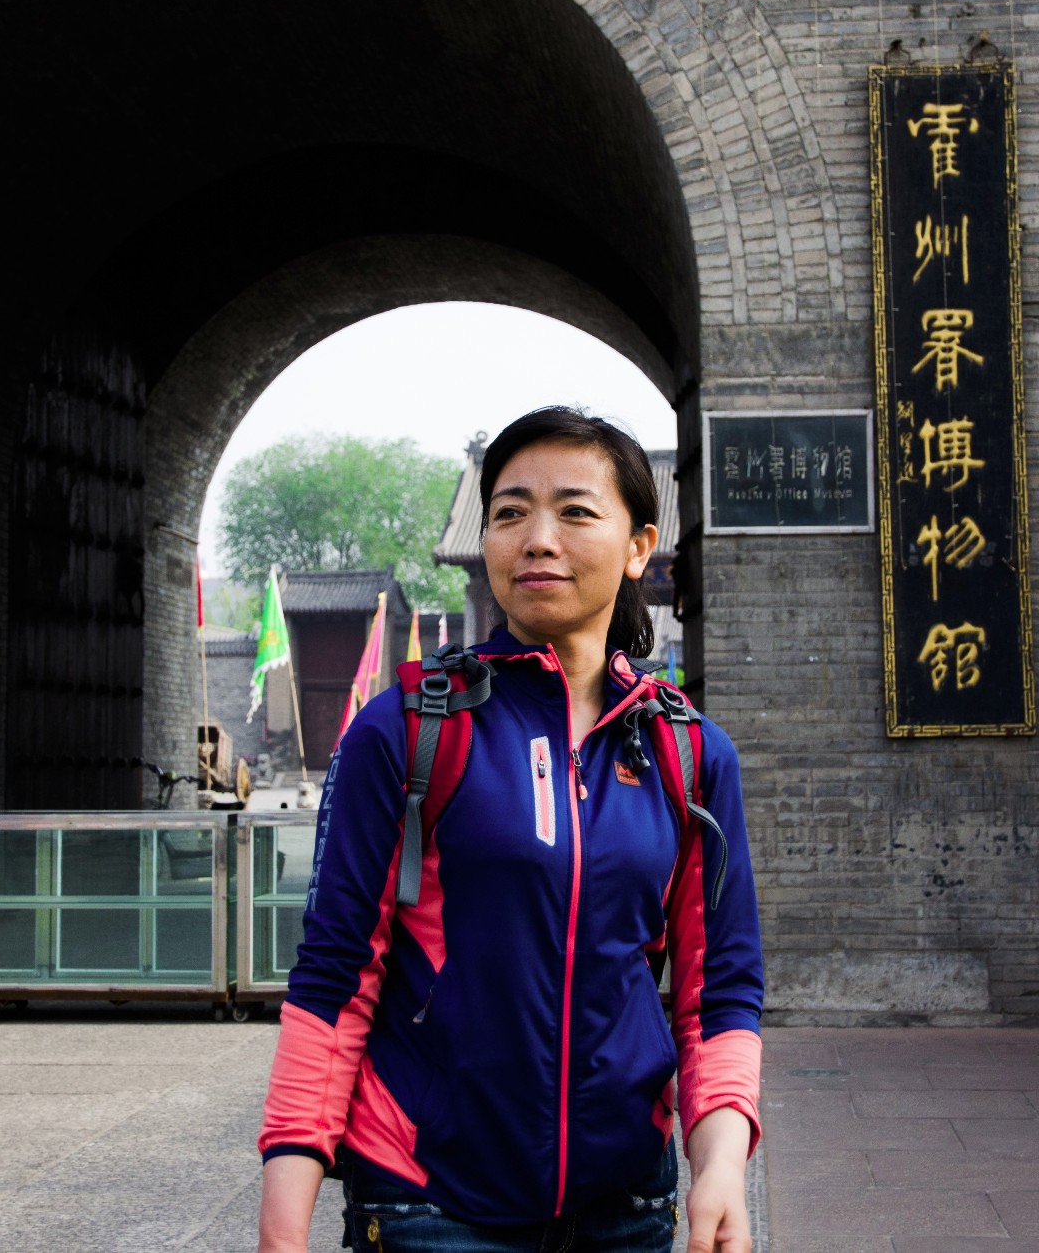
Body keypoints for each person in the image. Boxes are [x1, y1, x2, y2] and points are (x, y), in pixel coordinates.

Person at [256, 407, 764, 1253]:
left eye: (575, 511)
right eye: (510, 512)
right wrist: (283, 1221)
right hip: (428, 1200)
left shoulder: (688, 752)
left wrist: (720, 1164)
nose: (537, 539)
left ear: (640, 546)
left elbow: (720, 988)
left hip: (626, 1206)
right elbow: (335, 974)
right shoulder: (409, 730)